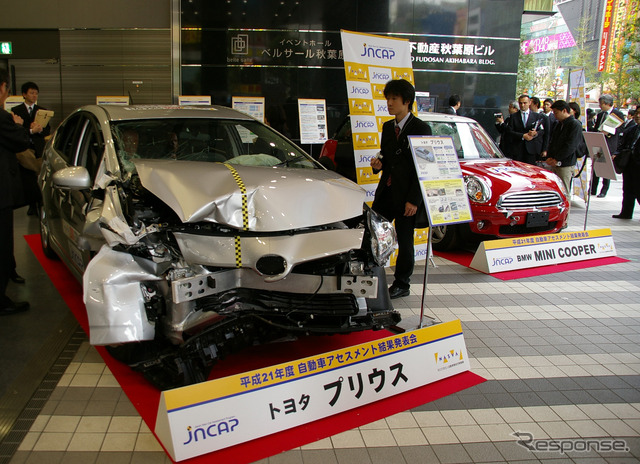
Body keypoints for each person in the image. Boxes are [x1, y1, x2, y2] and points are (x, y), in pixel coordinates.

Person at [370, 79, 431, 299]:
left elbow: (422, 168)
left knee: (405, 242)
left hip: (406, 197)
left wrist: (414, 200)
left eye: (394, 98)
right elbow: (386, 157)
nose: (389, 103)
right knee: (374, 236)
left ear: (407, 102)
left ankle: (402, 284)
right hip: (386, 193)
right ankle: (371, 276)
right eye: (388, 98)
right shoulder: (388, 127)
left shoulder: (421, 128)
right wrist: (378, 165)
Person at [0, 69, 31, 314]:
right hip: (1, 195)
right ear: (3, 88)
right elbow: (19, 141)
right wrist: (19, 126)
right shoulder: (2, 117)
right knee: (2, 244)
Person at [12, 81, 48, 216]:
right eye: (31, 93)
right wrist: (30, 129)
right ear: (24, 94)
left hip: (38, 147)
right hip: (24, 149)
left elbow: (47, 130)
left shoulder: (42, 110)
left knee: (40, 176)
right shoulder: (17, 111)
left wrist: (39, 129)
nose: (34, 96)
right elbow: (16, 130)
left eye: (36, 93)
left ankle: (40, 203)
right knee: (28, 178)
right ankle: (32, 204)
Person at [589, 94, 624, 198]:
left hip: (609, 144)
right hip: (599, 143)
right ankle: (592, 189)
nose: (600, 106)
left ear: (607, 103)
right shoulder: (600, 115)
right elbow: (596, 128)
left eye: (601, 104)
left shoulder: (618, 114)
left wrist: (609, 131)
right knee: (596, 166)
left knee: (606, 168)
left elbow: (621, 130)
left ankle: (604, 190)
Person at [546, 100, 583, 194]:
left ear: (564, 111)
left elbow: (570, 145)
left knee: (564, 191)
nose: (555, 115)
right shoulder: (559, 124)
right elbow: (553, 141)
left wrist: (557, 158)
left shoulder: (575, 124)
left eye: (556, 113)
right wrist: (550, 157)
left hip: (565, 163)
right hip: (554, 161)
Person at [504, 94, 548, 165]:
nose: (522, 105)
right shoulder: (513, 116)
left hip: (531, 149)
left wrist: (535, 133)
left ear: (529, 103)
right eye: (520, 103)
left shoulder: (537, 116)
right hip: (517, 149)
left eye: (525, 103)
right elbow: (510, 132)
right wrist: (522, 136)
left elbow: (542, 131)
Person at [612, 110, 640, 219]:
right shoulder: (632, 129)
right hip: (629, 163)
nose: (637, 116)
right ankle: (626, 213)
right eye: (636, 113)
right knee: (628, 189)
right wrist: (617, 154)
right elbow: (622, 145)